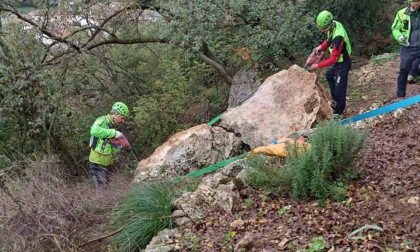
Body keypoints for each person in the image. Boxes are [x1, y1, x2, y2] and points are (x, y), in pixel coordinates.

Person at [308, 10, 352, 116]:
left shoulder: (339, 36)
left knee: (340, 87)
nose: (323, 31)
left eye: (324, 28)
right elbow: (328, 40)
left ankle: (339, 112)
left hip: (343, 63)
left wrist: (317, 65)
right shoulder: (334, 25)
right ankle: (335, 101)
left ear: (329, 25)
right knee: (329, 75)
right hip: (338, 61)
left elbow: (333, 59)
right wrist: (320, 48)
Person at [88, 102, 130, 190]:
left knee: (105, 189)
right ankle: (98, 204)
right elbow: (94, 131)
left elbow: (109, 145)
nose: (123, 121)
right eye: (122, 118)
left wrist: (119, 145)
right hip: (97, 164)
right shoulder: (102, 120)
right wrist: (113, 133)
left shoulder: (114, 125)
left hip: (107, 164)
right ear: (115, 114)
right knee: (101, 191)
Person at [391, 0, 420, 98]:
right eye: (415, 1)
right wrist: (399, 37)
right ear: (410, 2)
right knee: (403, 70)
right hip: (408, 47)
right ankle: (400, 96)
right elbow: (395, 29)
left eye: (419, 1)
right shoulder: (402, 13)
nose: (417, 3)